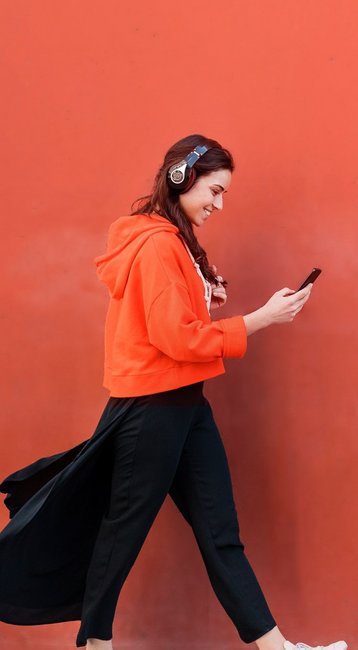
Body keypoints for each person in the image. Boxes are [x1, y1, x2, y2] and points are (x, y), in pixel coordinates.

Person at [0, 134, 347, 650]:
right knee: (121, 534)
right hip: (153, 411)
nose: (219, 204)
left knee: (219, 534)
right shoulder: (161, 244)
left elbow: (172, 324)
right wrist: (261, 319)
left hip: (186, 405)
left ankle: (279, 649)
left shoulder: (173, 241)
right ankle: (96, 645)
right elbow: (177, 339)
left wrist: (205, 294)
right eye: (215, 189)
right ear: (182, 179)